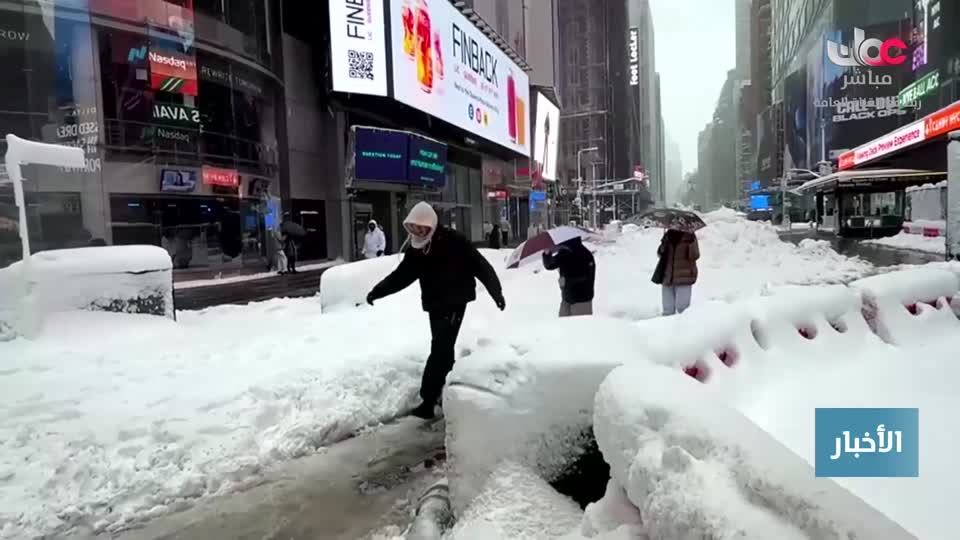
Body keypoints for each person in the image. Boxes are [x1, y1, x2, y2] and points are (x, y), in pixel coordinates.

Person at [366, 202, 506, 419]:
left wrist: (496, 293)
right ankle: (445, 390)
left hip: (456, 300)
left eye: (422, 228)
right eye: (414, 228)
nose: (418, 232)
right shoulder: (417, 250)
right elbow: (401, 276)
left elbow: (480, 265)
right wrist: (377, 292)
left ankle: (429, 399)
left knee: (441, 346)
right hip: (435, 303)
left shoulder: (454, 241)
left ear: (431, 224)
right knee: (443, 346)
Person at [542, 236, 596, 317]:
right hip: (566, 298)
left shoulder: (584, 254)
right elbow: (550, 265)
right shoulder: (564, 253)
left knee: (579, 324)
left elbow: (587, 278)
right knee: (563, 324)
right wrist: (547, 254)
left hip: (582, 300)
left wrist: (566, 281)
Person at [651, 229, 700, 316]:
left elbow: (695, 255)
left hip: (684, 277)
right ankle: (666, 324)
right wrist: (663, 245)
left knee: (683, 309)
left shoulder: (689, 236)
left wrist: (691, 243)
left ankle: (685, 324)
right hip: (667, 276)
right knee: (667, 310)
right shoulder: (668, 235)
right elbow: (660, 254)